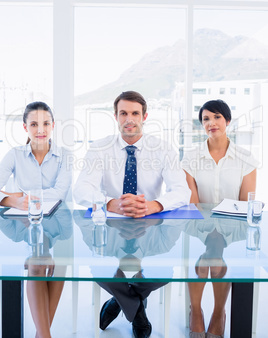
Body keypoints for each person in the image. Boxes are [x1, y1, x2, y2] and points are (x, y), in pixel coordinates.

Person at [74, 90, 191, 338]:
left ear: (144, 116)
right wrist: (108, 203)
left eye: (135, 113)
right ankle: (138, 313)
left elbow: (182, 191)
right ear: (115, 116)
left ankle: (119, 301)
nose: (130, 119)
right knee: (97, 266)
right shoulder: (99, 148)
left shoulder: (162, 149)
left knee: (165, 269)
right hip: (110, 227)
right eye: (123, 113)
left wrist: (154, 205)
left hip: (152, 227)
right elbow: (81, 189)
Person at [182, 99, 258, 338]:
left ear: (227, 120)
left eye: (216, 117)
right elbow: (192, 205)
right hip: (197, 224)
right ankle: (196, 311)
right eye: (206, 119)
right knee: (202, 256)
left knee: (217, 257)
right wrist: (209, 232)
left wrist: (221, 233)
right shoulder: (190, 157)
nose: (211, 123)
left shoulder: (246, 159)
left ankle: (218, 313)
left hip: (233, 226)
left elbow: (245, 205)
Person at [0, 101, 72, 338]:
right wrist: (11, 201)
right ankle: (44, 335)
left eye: (45, 123)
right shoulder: (15, 155)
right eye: (34, 124)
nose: (40, 129)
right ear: (25, 127)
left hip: (58, 225)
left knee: (58, 263)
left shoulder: (64, 156)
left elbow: (60, 193)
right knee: (37, 264)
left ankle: (42, 335)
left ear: (53, 125)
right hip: (21, 226)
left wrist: (23, 196)